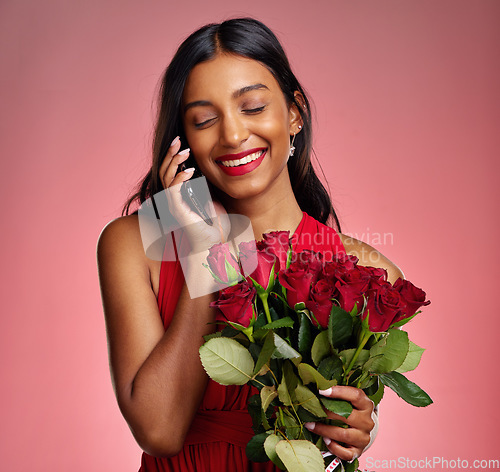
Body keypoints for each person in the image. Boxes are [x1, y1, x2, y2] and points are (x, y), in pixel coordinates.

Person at [97, 17, 404, 471]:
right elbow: (158, 431)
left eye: (253, 107)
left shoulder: (365, 272)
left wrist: (356, 427)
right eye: (204, 119)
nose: (234, 135)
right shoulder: (133, 243)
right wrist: (207, 254)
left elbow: (342, 431)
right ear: (184, 139)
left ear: (295, 112)